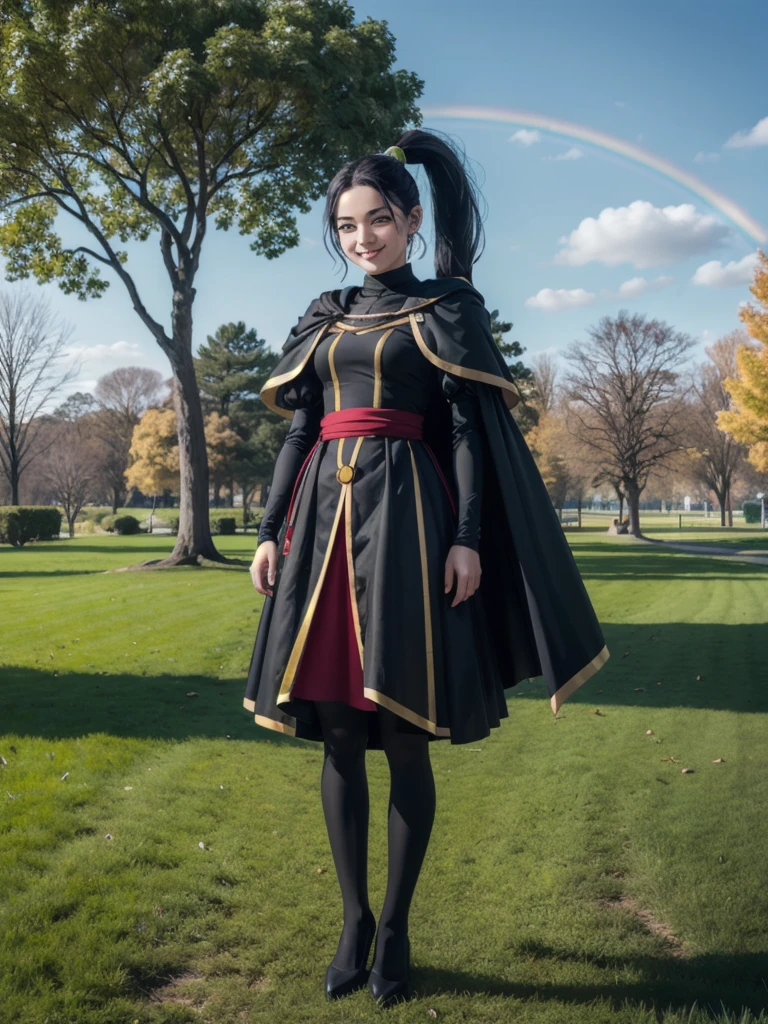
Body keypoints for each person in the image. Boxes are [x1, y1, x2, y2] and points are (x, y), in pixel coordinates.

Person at [243, 128, 609, 1007]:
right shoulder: (326, 313)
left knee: (404, 737)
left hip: (408, 524)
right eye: (346, 225)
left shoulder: (447, 305)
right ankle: (352, 922)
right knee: (336, 731)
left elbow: (466, 432)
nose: (362, 237)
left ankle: (397, 930)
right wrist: (266, 528)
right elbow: (301, 426)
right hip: (322, 530)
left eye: (377, 220)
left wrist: (468, 538)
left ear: (410, 218)